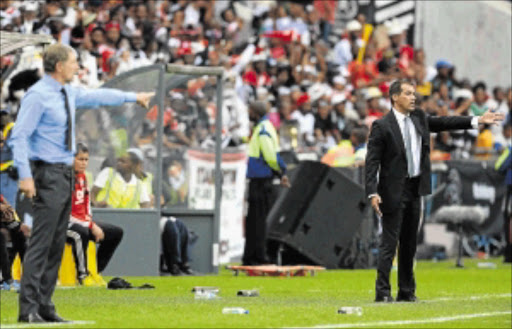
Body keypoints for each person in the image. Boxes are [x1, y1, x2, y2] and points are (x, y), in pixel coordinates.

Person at [8, 43, 154, 323]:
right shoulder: (37, 96)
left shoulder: (67, 93)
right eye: (74, 62)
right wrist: (25, 174)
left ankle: (45, 306)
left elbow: (98, 95)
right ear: (60, 66)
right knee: (41, 243)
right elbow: (19, 137)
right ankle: (27, 310)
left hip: (65, 174)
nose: (78, 66)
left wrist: (133, 96)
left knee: (54, 244)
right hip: (46, 173)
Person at [365, 79, 504, 303]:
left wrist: (477, 120)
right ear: (394, 97)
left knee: (409, 243)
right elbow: (372, 162)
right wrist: (372, 192)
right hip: (392, 190)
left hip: (415, 188)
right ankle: (382, 292)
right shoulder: (382, 125)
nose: (413, 97)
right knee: (389, 243)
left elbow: (444, 122)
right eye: (408, 93)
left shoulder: (419, 117)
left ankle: (406, 291)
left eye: (414, 93)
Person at [67, 143, 124, 285]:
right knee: (81, 232)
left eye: (86, 160)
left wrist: (90, 222)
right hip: (63, 223)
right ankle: (82, 276)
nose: (84, 163)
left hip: (83, 221)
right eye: (80, 159)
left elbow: (86, 205)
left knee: (116, 233)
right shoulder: (64, 178)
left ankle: (95, 271)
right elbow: (65, 211)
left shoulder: (82, 177)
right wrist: (91, 226)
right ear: (70, 158)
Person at [243, 101, 290, 266]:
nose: (248, 113)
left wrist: (281, 171)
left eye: (250, 110)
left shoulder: (263, 129)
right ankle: (252, 256)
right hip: (260, 180)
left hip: (262, 180)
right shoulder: (263, 127)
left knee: (258, 220)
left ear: (256, 112)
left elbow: (270, 156)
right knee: (255, 220)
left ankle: (256, 256)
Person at [0, 195, 29, 291]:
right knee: (3, 235)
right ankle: (5, 278)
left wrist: (8, 211)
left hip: (3, 220)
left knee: (21, 233)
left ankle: (27, 279)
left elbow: (5, 203)